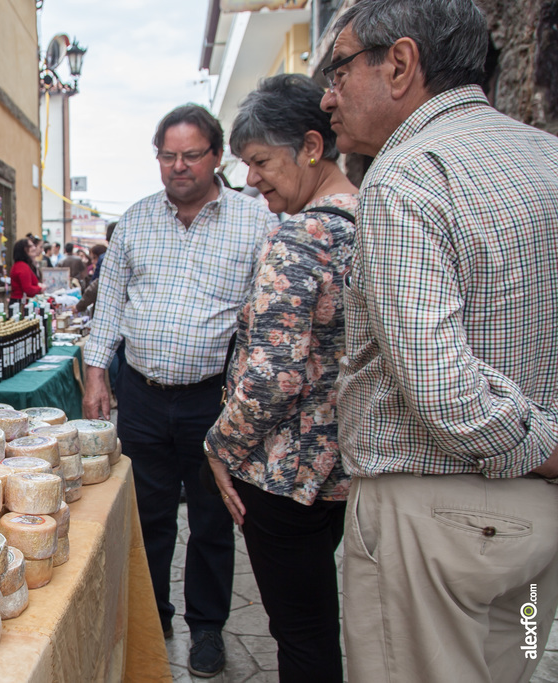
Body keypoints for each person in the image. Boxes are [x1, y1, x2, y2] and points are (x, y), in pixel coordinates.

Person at [322, 2, 558, 682]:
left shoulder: (407, 176)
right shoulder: (543, 154)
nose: (327, 97)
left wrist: (545, 446)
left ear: (399, 64)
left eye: (338, 70)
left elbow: (445, 392)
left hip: (439, 525)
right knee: (515, 664)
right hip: (531, 526)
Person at [83, 104, 278, 677]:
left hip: (213, 399)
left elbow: (262, 316)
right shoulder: (137, 221)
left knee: (214, 518)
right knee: (147, 515)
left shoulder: (256, 221)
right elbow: (110, 301)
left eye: (191, 155)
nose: (178, 167)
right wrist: (97, 373)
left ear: (217, 157)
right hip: (141, 394)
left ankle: (209, 627)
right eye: (167, 156)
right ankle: (154, 613)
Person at [203, 73, 358, 683]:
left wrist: (219, 445)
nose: (251, 179)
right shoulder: (378, 221)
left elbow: (273, 379)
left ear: (312, 147)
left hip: (284, 476)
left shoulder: (298, 238)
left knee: (302, 640)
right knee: (320, 626)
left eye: (261, 161)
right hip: (343, 471)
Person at [9, 237, 43, 305]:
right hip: (20, 304)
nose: (34, 248)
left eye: (33, 245)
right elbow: (28, 289)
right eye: (30, 246)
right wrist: (40, 288)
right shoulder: (22, 266)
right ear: (23, 249)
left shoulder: (21, 265)